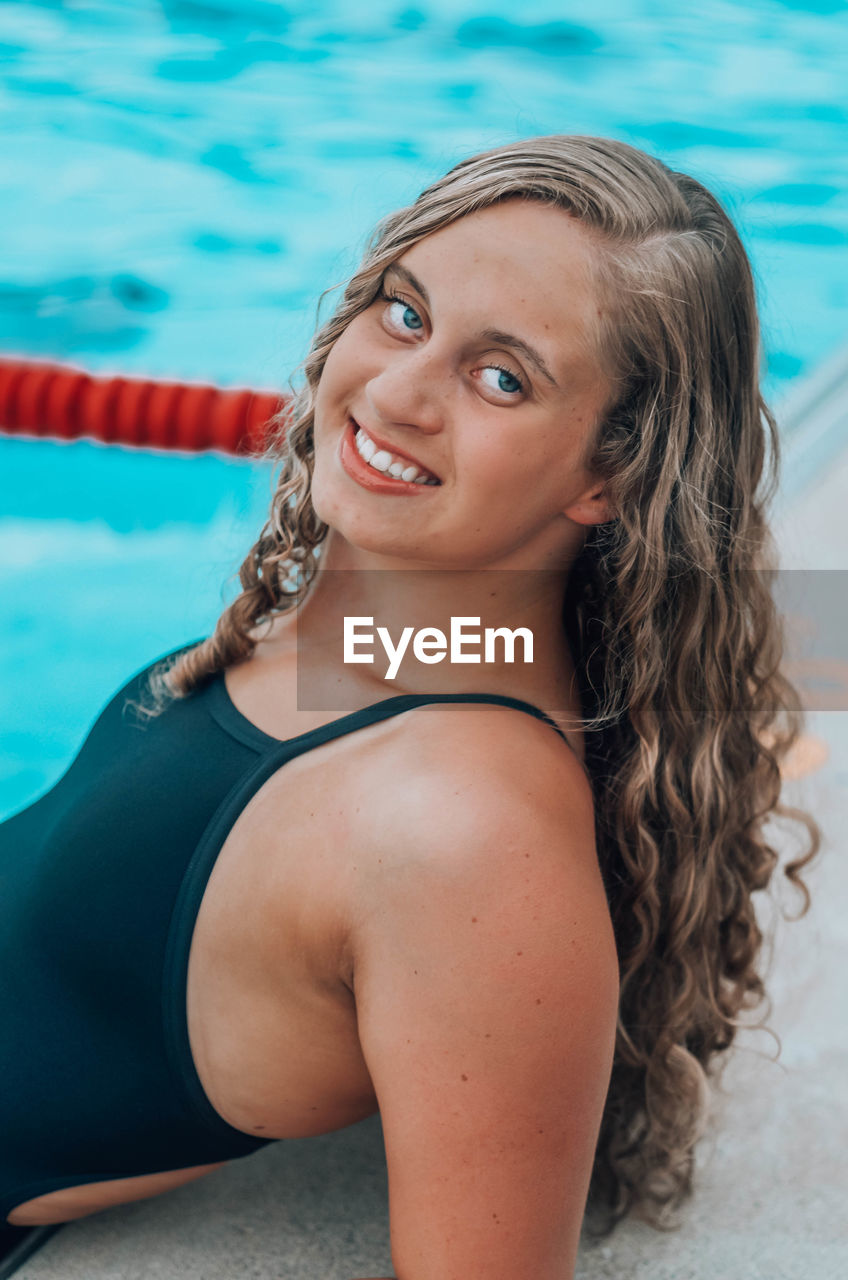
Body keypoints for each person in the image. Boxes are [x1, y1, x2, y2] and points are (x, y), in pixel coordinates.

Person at [0, 135, 820, 1280]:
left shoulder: (467, 837)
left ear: (611, 476)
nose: (392, 392)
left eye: (500, 378)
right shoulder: (408, 637)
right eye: (401, 311)